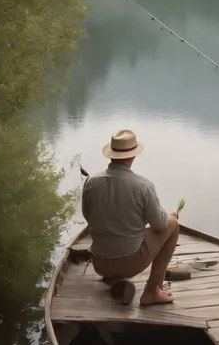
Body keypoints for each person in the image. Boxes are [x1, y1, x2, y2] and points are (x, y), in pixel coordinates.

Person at [81, 129, 179, 306]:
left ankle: (111, 276)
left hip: (99, 263)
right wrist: (168, 216)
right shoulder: (143, 186)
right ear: (133, 156)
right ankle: (152, 291)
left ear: (111, 155)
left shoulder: (91, 181)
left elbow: (88, 217)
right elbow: (161, 224)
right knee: (173, 224)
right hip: (130, 264)